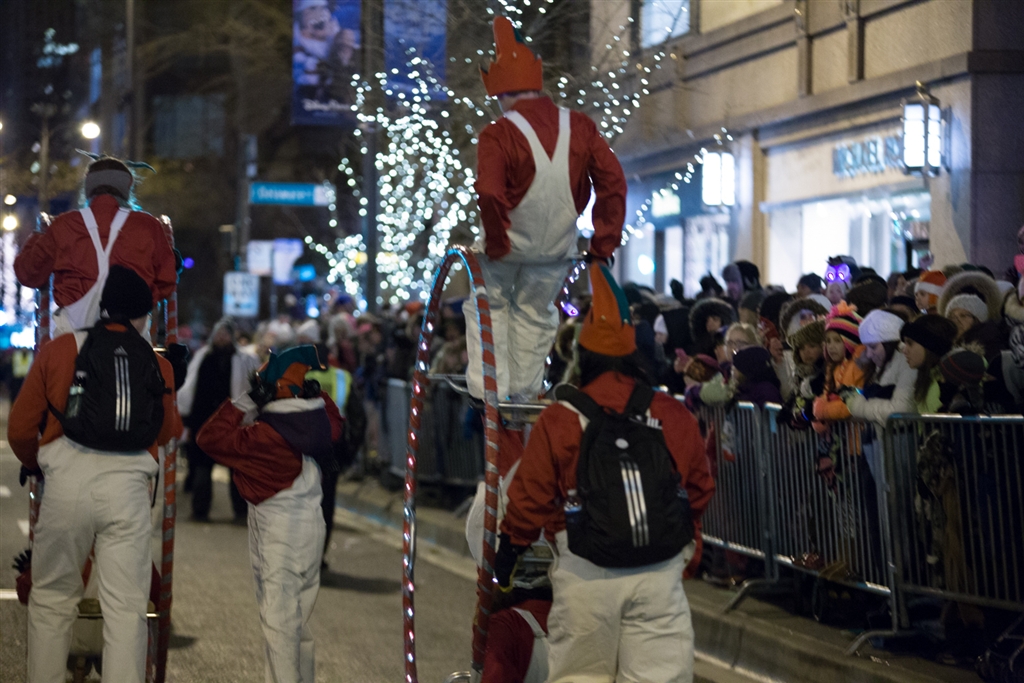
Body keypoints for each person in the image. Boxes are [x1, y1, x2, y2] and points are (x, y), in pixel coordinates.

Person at [495, 264, 714, 683]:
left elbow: (529, 497)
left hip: (585, 571)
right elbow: (700, 488)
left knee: (582, 674)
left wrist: (510, 551)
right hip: (658, 570)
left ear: (584, 356)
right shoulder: (670, 413)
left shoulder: (561, 419)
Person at [8, 265, 181, 683]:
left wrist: (35, 462)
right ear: (143, 315)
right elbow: (167, 431)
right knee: (126, 608)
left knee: (52, 601)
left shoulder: (59, 350)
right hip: (128, 492)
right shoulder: (156, 364)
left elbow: (19, 428)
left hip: (67, 482)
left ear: (104, 308)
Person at [466, 16, 627, 402]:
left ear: (502, 91)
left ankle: (489, 395)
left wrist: (498, 241)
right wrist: (602, 245)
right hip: (555, 250)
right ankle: (522, 398)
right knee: (536, 316)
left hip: (507, 249)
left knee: (489, 308)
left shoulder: (498, 133)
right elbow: (614, 183)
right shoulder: (581, 127)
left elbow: (489, 192)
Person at [196, 345, 343, 683]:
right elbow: (334, 420)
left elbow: (210, 437)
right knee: (297, 626)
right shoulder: (316, 423)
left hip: (279, 531)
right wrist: (313, 393)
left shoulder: (265, 435)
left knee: (279, 626)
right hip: (311, 526)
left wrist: (246, 401)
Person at [14, 156, 177, 338]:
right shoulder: (148, 226)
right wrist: (140, 303)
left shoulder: (64, 225)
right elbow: (167, 281)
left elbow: (28, 273)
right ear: (127, 188)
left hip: (74, 338)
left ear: (88, 189)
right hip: (132, 338)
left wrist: (39, 235)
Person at [177, 318, 261, 522]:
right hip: (204, 420)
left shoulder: (244, 360)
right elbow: (190, 387)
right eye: (219, 333)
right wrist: (186, 416)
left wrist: (249, 416)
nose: (221, 338)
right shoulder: (203, 357)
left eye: (225, 334)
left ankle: (240, 512)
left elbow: (251, 389)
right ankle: (200, 511)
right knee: (202, 467)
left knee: (237, 468)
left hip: (233, 422)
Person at [899, 315, 958, 413]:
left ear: (930, 346)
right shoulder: (927, 378)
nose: (904, 350)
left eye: (910, 343)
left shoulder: (945, 384)